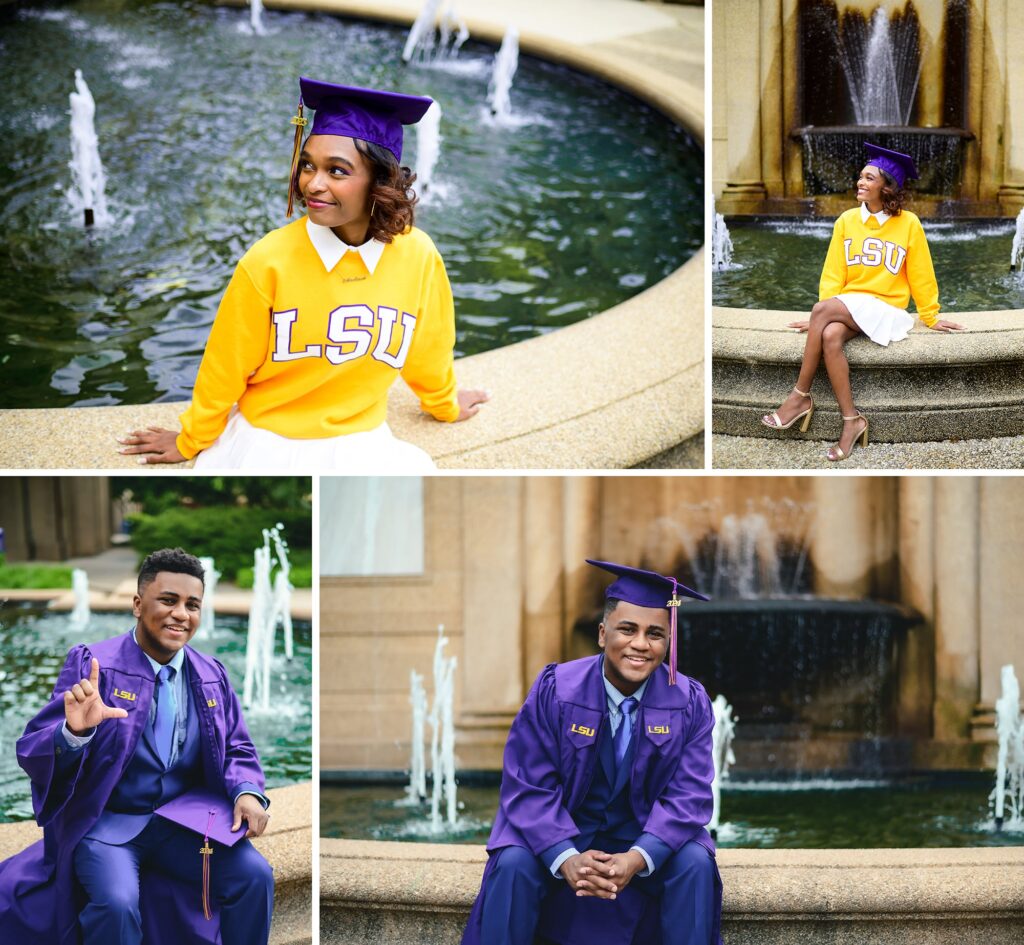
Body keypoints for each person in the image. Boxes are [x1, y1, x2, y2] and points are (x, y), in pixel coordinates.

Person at [117, 78, 489, 471]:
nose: (313, 182)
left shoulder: (418, 255)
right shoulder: (269, 260)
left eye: (338, 171)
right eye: (308, 164)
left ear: (381, 182)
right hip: (266, 439)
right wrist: (190, 439)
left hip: (361, 441)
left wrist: (445, 405)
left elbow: (428, 347)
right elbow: (224, 368)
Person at [0, 548, 274, 945]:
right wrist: (75, 734)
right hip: (109, 826)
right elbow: (33, 748)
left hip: (183, 825)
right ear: (137, 604)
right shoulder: (95, 665)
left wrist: (248, 792)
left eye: (192, 605)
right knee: (116, 903)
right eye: (168, 600)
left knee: (255, 877)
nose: (181, 613)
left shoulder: (210, 673)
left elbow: (237, 747)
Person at [461, 559, 722, 945]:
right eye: (627, 630)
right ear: (602, 634)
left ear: (668, 642)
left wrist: (636, 857)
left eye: (655, 634)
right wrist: (565, 856)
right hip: (564, 831)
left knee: (696, 862)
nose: (640, 644)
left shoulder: (689, 702)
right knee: (513, 861)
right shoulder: (556, 690)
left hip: (642, 838)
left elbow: (690, 795)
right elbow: (528, 783)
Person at [761, 142, 965, 461]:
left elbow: (922, 272)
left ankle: (799, 397)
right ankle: (852, 421)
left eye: (869, 178)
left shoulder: (908, 223)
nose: (861, 182)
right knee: (828, 335)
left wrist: (931, 315)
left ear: (887, 187)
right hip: (851, 305)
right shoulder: (846, 221)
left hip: (888, 309)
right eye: (861, 176)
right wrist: (822, 318)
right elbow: (833, 272)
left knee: (822, 315)